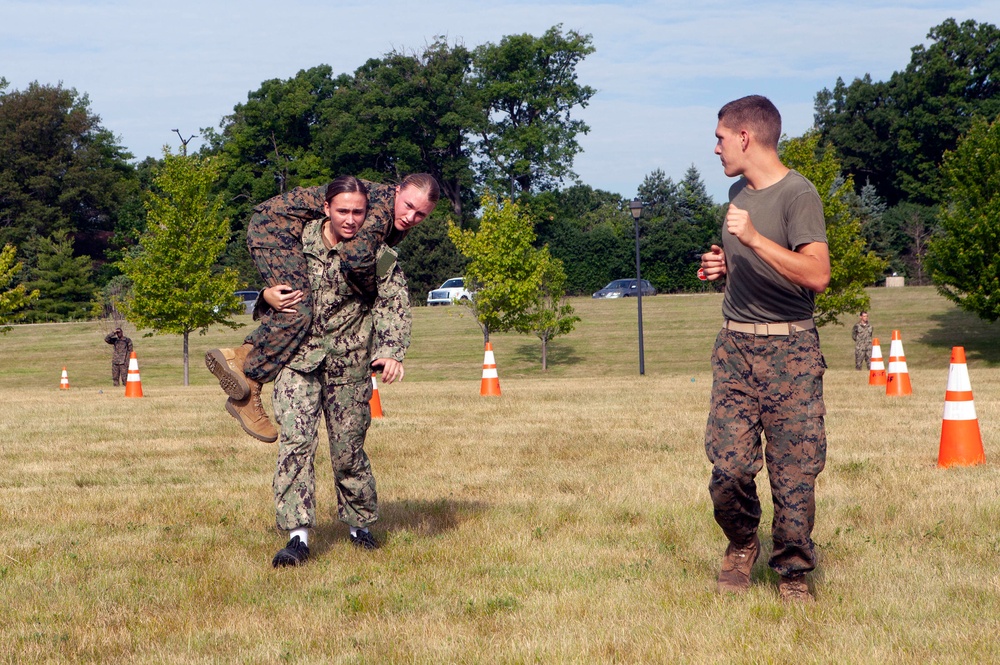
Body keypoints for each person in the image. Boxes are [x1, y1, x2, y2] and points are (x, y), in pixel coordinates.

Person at [700, 95, 831, 603]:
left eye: (719, 137)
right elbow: (754, 265)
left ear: (746, 138)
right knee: (728, 468)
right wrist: (724, 268)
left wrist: (752, 240)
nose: (715, 147)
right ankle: (741, 543)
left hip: (790, 350)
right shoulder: (737, 194)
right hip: (735, 347)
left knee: (794, 474)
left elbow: (817, 274)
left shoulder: (800, 194)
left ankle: (793, 572)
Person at [205, 174, 439, 443]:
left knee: (296, 305)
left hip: (279, 227)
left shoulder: (392, 216)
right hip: (273, 229)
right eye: (408, 205)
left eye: (421, 214)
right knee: (299, 307)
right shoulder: (379, 213)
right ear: (397, 191)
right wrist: (371, 293)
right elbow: (356, 259)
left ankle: (242, 355)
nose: (411, 216)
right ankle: (249, 378)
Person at [262, 176, 411, 566]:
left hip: (349, 365)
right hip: (298, 362)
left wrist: (392, 350)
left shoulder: (376, 253)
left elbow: (393, 301)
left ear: (369, 213)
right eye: (342, 211)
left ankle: (360, 526)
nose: (350, 220)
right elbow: (270, 300)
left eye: (358, 212)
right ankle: (298, 537)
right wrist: (264, 297)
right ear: (326, 208)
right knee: (296, 445)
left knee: (348, 451)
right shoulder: (295, 242)